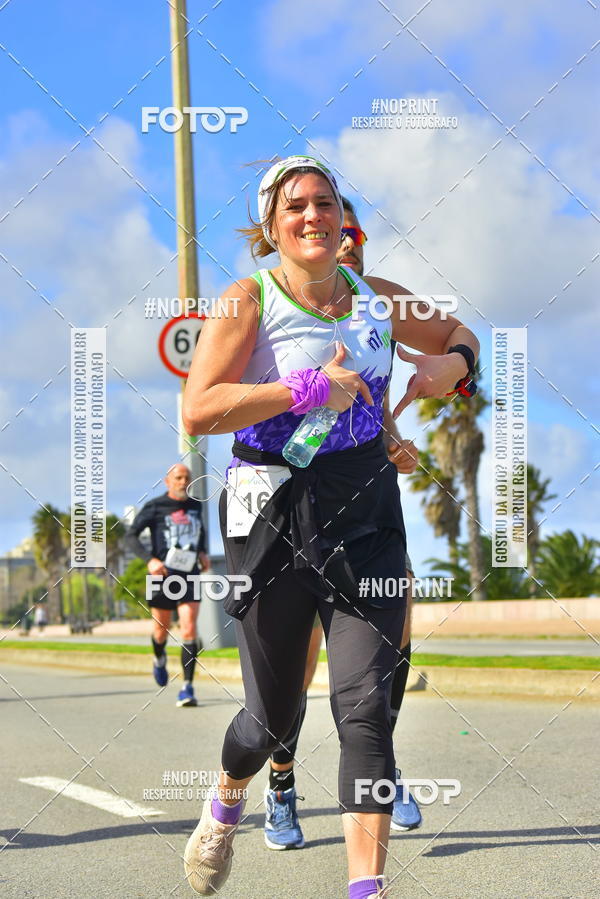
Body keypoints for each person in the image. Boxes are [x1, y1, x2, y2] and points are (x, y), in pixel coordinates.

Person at [181, 154, 479, 898]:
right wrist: (313, 384)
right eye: (295, 207)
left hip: (364, 512)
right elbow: (200, 407)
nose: (313, 216)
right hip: (271, 511)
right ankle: (227, 798)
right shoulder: (245, 300)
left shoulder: (377, 298)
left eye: (325, 202)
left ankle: (365, 889)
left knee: (364, 708)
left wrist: (456, 366)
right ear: (270, 228)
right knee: (272, 717)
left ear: (343, 217)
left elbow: (457, 335)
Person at [261, 197, 422, 852]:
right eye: (332, 231)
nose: (343, 242)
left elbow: (379, 405)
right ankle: (280, 781)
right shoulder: (292, 313)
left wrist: (394, 439)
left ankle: (376, 764)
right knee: (294, 666)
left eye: (352, 231)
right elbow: (285, 434)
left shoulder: (376, 315)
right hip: (298, 502)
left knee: (397, 634)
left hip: (371, 502)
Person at [125, 463, 210, 707]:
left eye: (187, 478)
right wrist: (150, 560)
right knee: (161, 630)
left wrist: (203, 552)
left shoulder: (195, 505)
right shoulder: (154, 506)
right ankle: (159, 657)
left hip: (189, 573)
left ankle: (187, 687)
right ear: (167, 481)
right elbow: (131, 536)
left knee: (188, 629)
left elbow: (199, 532)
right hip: (162, 575)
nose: (183, 482)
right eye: (179, 478)